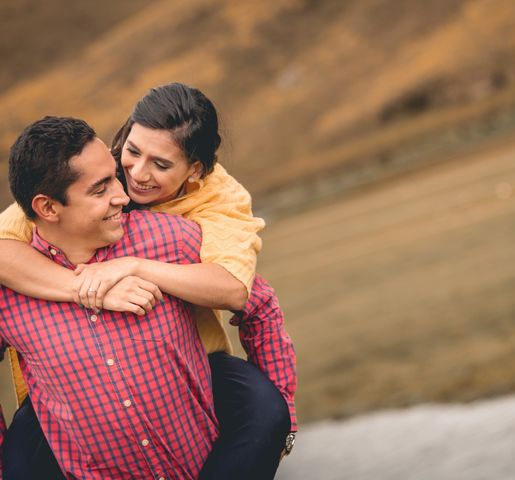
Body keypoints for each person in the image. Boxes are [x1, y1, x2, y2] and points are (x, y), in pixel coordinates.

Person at [0, 84, 296, 479]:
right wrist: (81, 288)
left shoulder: (207, 211)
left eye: (161, 164)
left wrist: (134, 266)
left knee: (264, 412)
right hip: (59, 404)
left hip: (197, 365)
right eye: (132, 155)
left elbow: (237, 290)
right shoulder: (54, 195)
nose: (134, 178)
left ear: (193, 171)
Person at [0, 116, 219, 478]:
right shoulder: (9, 295)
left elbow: (255, 303)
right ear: (48, 208)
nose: (123, 195)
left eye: (114, 176)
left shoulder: (171, 240)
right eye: (100, 189)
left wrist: (275, 418)